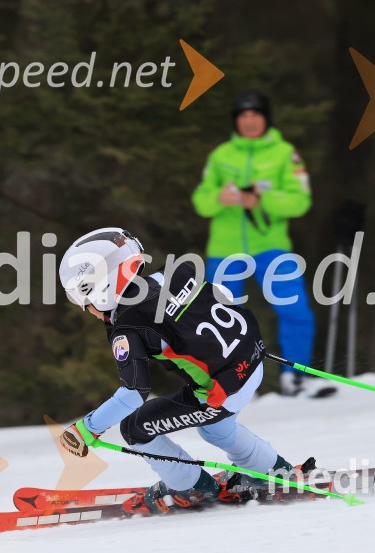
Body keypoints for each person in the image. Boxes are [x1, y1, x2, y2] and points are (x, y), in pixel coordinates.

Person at [57, 227, 295, 514]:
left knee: (135, 428)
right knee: (215, 429)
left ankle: (190, 488)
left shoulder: (128, 325)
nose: (86, 308)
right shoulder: (173, 273)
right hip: (252, 362)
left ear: (101, 287)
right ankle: (273, 470)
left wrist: (86, 429)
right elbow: (222, 296)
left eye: (82, 298)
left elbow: (133, 394)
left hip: (221, 391)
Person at [191, 90, 318, 397]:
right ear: (236, 121)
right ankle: (224, 385)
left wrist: (261, 198)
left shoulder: (285, 153)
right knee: (218, 320)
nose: (249, 121)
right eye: (243, 116)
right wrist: (220, 198)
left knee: (295, 310)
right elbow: (201, 202)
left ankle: (296, 376)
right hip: (225, 250)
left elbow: (300, 202)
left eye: (255, 115)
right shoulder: (222, 155)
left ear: (266, 118)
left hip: (271, 247)